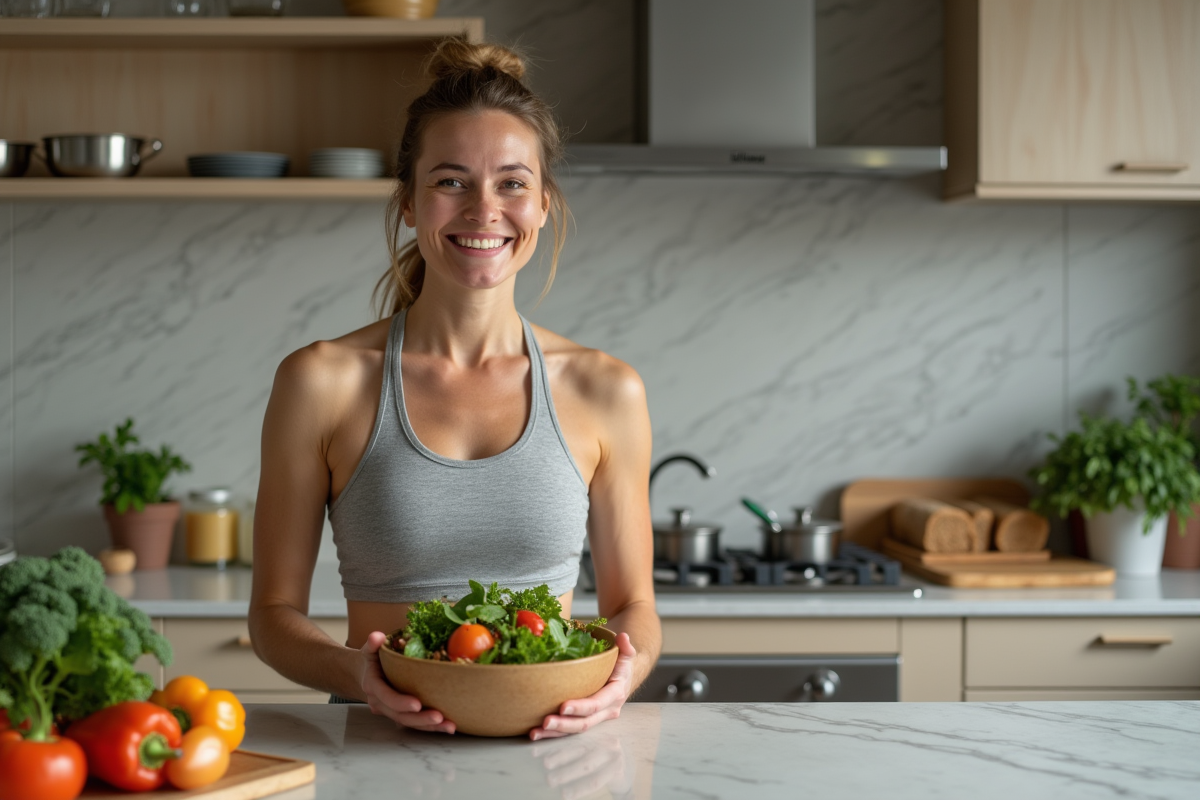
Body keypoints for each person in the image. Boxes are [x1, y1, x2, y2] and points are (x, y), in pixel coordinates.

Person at [247, 38, 661, 741]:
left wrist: (624, 672)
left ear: (544, 204)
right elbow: (273, 616)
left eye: (511, 182)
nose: (483, 209)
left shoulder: (606, 389)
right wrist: (358, 676)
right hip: (376, 746)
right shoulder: (322, 381)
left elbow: (633, 606)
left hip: (550, 753)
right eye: (450, 181)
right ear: (409, 201)